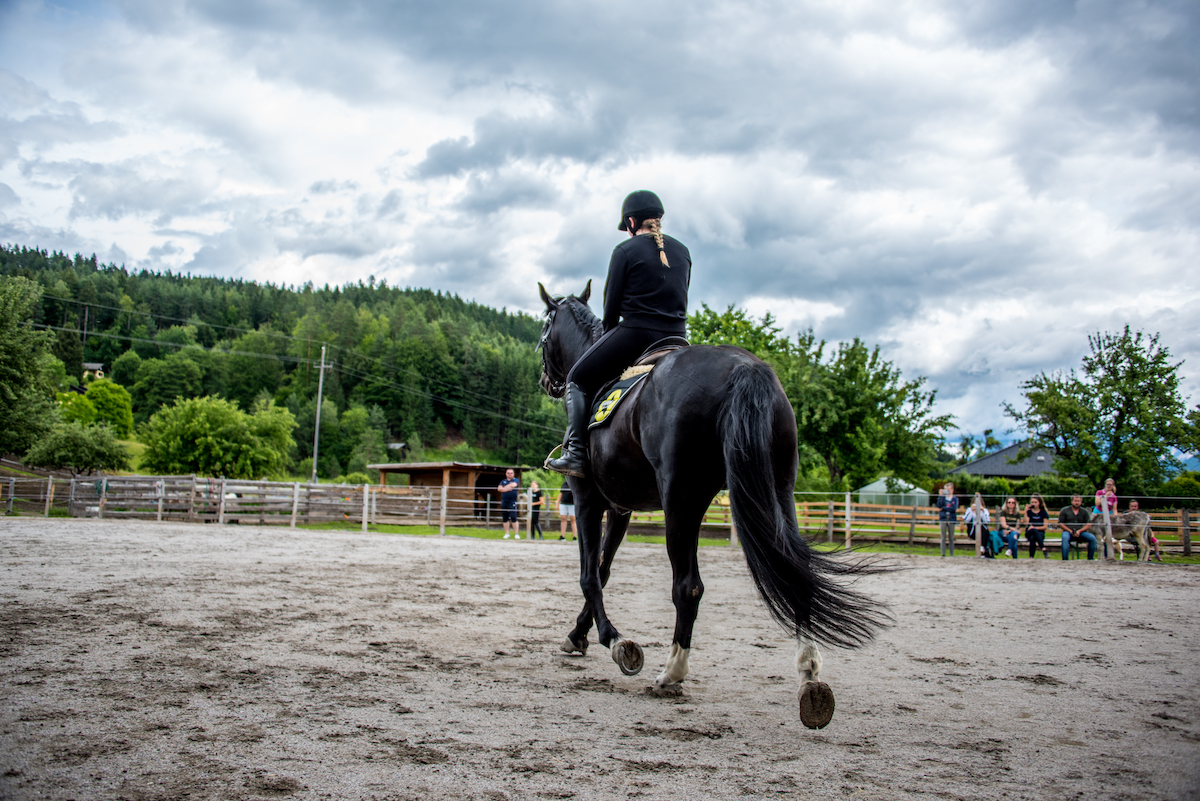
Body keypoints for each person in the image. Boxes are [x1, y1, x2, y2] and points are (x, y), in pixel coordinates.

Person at [546, 190, 692, 477]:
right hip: (678, 338)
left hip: (636, 335)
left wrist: (605, 342)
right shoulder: (683, 251)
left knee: (577, 376)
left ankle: (576, 453)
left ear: (631, 222)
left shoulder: (625, 251)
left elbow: (610, 312)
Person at [1057, 493, 1097, 560]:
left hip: (1081, 532)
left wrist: (1079, 531)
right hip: (1068, 531)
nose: (1077, 502)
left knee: (1092, 538)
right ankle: (1065, 559)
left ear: (1081, 502)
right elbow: (1060, 523)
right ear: (1072, 501)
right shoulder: (1065, 510)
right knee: (1065, 538)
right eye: (1075, 501)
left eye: (1078, 501)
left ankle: (1090, 558)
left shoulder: (1084, 512)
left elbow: (1089, 524)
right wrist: (1070, 531)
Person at [961, 493, 992, 557]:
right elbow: (966, 520)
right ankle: (983, 549)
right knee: (978, 528)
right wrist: (972, 511)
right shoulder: (969, 510)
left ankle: (982, 548)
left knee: (984, 530)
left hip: (983, 531)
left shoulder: (984, 510)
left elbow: (987, 521)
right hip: (973, 530)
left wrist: (982, 511)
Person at [1024, 493, 1050, 557]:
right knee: (1032, 532)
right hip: (1029, 532)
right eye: (1032, 502)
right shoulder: (1029, 512)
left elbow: (1045, 526)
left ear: (1039, 503)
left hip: (1040, 533)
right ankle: (1043, 549)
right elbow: (1025, 523)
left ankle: (1031, 557)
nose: (1033, 504)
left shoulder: (1043, 512)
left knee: (1033, 537)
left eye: (1035, 502)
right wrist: (1025, 511)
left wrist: (1034, 528)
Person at [936, 483, 959, 557]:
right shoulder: (943, 498)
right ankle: (943, 554)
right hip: (943, 518)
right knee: (943, 537)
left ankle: (951, 554)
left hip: (951, 518)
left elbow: (953, 508)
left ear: (952, 490)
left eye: (948, 490)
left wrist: (944, 508)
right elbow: (939, 505)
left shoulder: (955, 499)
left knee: (951, 537)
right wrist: (941, 496)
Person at [498, 469, 521, 540]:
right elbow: (499, 489)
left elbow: (513, 485)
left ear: (513, 474)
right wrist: (508, 488)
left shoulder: (516, 480)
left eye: (511, 473)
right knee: (505, 518)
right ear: (506, 474)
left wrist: (504, 488)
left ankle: (516, 534)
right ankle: (507, 533)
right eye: (508, 473)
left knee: (513, 517)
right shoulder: (503, 481)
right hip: (504, 501)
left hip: (512, 501)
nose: (510, 474)